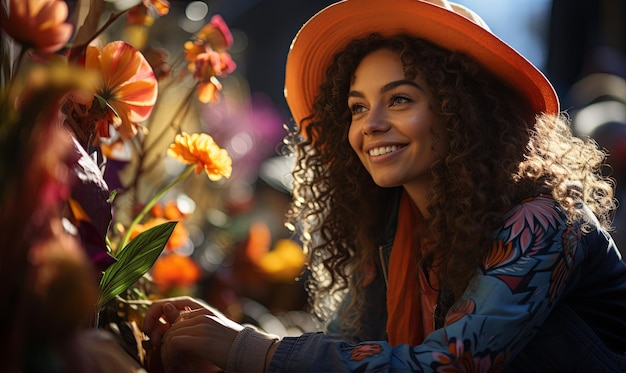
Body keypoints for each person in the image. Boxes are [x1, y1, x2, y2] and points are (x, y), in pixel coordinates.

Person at [142, 0, 626, 371]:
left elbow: (449, 363)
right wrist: (212, 329)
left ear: (464, 113)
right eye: (356, 107)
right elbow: (349, 343)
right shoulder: (394, 226)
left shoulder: (543, 220)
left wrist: (248, 348)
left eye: (398, 100)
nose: (368, 125)